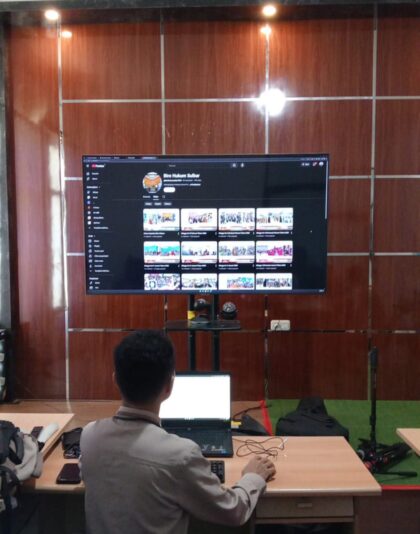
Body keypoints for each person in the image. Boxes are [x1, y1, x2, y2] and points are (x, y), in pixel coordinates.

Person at [80, 330, 276, 534]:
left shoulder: (89, 436)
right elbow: (233, 511)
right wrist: (252, 477)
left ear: (115, 380)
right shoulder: (180, 455)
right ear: (169, 387)